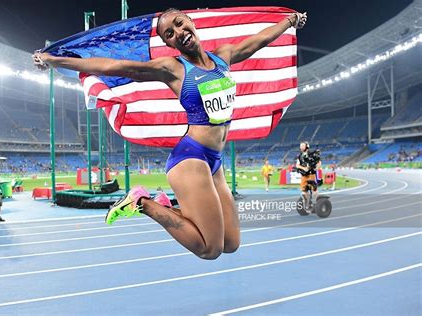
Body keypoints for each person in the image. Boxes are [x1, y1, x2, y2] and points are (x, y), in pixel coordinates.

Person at [33, 8, 307, 259]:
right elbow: (113, 67)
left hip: (214, 160)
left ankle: (163, 203)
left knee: (231, 243)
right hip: (191, 159)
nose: (178, 32)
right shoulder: (173, 69)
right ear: (169, 43)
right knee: (209, 249)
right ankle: (142, 202)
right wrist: (55, 61)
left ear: (190, 22)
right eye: (170, 34)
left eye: (179, 24)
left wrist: (289, 21)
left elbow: (257, 41)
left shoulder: (223, 57)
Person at [295, 142, 321, 211]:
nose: (301, 147)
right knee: (303, 191)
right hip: (304, 175)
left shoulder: (312, 154)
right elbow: (297, 165)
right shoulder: (299, 155)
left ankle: (319, 203)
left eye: (302, 146)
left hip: (311, 174)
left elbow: (319, 162)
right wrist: (303, 168)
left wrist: (317, 168)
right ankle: (308, 203)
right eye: (300, 146)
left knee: (314, 190)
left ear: (307, 146)